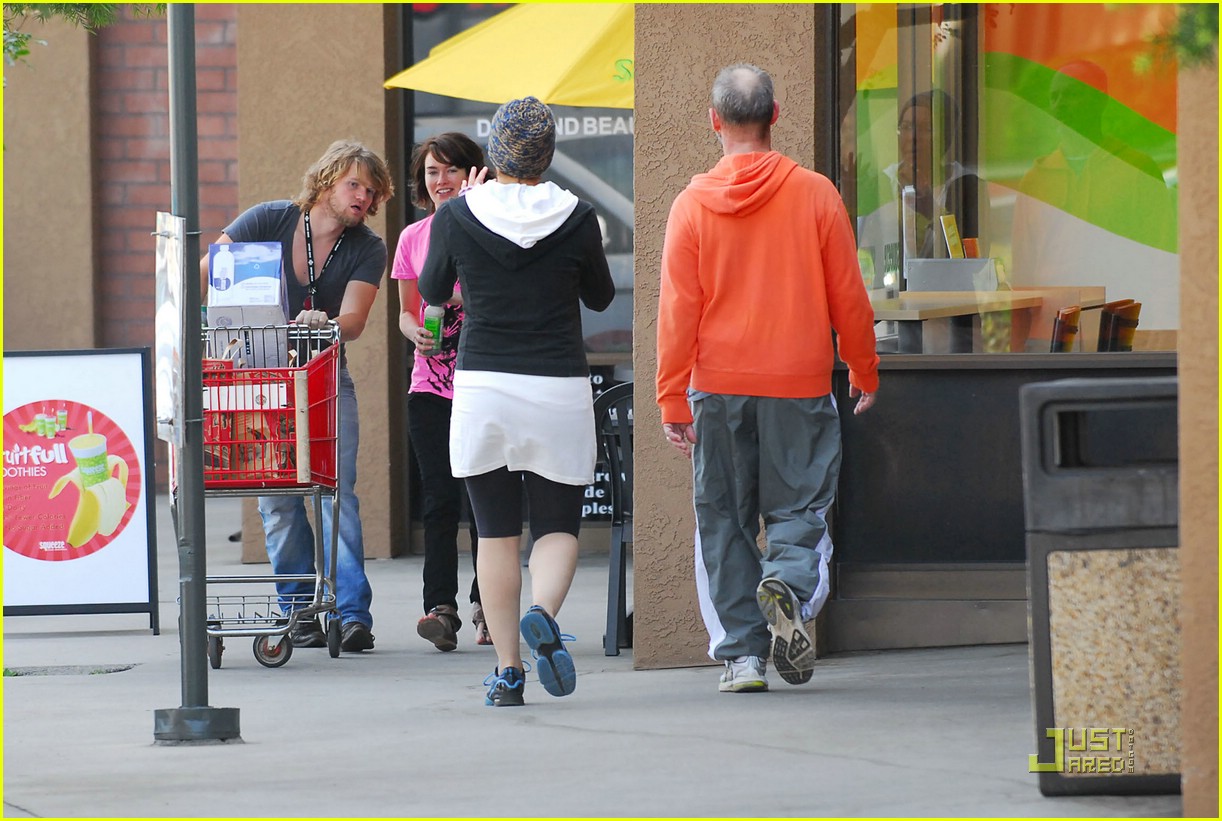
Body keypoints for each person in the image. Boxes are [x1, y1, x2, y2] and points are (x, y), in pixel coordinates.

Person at [655, 64, 879, 694]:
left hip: (717, 385)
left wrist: (672, 397)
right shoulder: (815, 194)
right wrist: (864, 368)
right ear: (776, 116)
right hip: (799, 382)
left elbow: (679, 310)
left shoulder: (692, 205)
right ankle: (786, 579)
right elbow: (849, 298)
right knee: (800, 505)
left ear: (714, 121)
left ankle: (744, 659)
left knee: (723, 517)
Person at [419, 97, 614, 706]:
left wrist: (466, 206)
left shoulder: (458, 216)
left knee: (495, 534)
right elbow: (603, 298)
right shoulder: (578, 215)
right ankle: (544, 614)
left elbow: (429, 290)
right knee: (557, 525)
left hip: (483, 389)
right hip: (556, 384)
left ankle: (507, 673)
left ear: (494, 154)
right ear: (548, 156)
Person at [201, 139, 394, 653]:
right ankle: (297, 610)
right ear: (327, 179)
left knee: (336, 494)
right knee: (278, 500)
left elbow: (353, 320)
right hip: (260, 382)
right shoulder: (268, 220)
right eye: (354, 184)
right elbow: (207, 273)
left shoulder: (367, 247)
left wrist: (325, 322)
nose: (362, 197)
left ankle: (351, 615)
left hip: (324, 382)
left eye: (371, 191)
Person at [392, 132, 492, 651]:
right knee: (438, 500)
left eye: (452, 170)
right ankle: (441, 608)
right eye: (433, 172)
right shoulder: (414, 237)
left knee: (485, 503)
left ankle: (487, 607)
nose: (441, 181)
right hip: (429, 385)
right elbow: (408, 312)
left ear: (474, 174)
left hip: (482, 381)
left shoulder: (491, 228)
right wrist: (416, 334)